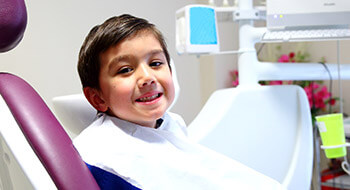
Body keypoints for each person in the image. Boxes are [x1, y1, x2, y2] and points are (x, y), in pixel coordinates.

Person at [74, 14, 285, 190]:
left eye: (156, 63)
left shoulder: (171, 123)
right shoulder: (103, 156)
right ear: (97, 98)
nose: (147, 77)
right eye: (125, 70)